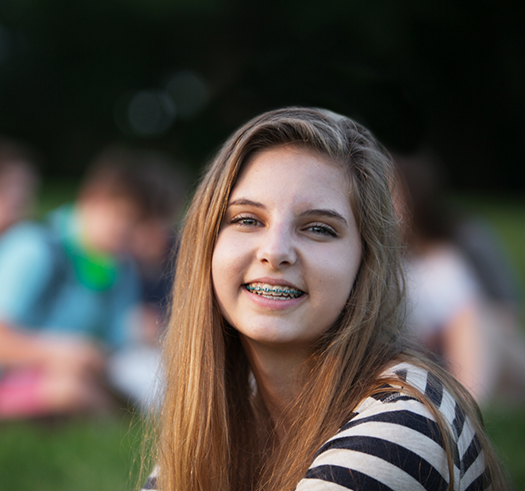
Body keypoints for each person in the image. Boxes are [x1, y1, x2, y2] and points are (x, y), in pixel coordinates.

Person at [141, 108, 507, 490]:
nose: (275, 251)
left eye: (318, 228)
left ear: (365, 263)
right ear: (207, 245)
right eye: (247, 220)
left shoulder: (403, 421)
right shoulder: (220, 424)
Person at [0, 146, 168, 418]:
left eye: (139, 226)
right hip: (29, 373)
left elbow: (117, 341)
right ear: (94, 199)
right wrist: (59, 352)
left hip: (80, 373)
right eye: (125, 220)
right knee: (69, 391)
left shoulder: (120, 267)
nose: (130, 235)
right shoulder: (34, 248)